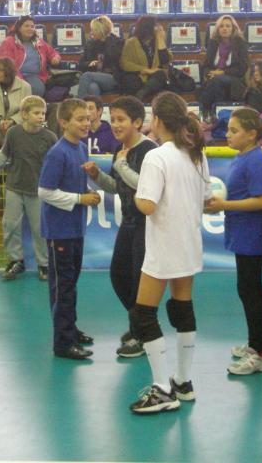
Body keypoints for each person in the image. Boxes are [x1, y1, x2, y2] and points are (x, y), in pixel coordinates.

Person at [128, 92, 211, 414]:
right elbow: (207, 198)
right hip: (189, 243)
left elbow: (147, 205)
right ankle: (183, 381)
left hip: (164, 246)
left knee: (143, 314)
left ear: (158, 120)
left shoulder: (156, 156)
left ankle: (162, 388)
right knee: (181, 307)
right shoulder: (196, 154)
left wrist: (135, 193)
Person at [82, 95, 158, 358]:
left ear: (137, 122)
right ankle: (141, 324)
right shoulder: (120, 150)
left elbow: (146, 186)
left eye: (121, 119)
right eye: (112, 119)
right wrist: (97, 176)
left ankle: (142, 333)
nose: (115, 124)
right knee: (118, 274)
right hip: (128, 221)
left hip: (147, 224)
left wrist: (122, 165)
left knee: (139, 280)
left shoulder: (149, 151)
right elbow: (117, 186)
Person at [205, 108, 262, 375]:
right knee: (247, 288)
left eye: (234, 131)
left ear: (252, 134)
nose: (228, 135)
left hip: (253, 233)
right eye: (229, 130)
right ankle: (258, 342)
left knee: (250, 288)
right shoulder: (241, 157)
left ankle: (259, 352)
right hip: (242, 230)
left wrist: (225, 205)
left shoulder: (257, 161)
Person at [38, 98, 101, 360]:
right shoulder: (57, 153)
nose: (86, 123)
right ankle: (63, 342)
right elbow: (45, 192)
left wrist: (86, 193)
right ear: (64, 122)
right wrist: (79, 199)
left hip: (75, 228)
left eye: (88, 118)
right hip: (59, 230)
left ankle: (69, 329)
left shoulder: (82, 149)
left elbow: (73, 184)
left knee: (70, 283)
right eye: (80, 119)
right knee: (63, 286)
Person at [0, 95, 56, 282]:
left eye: (43, 113)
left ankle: (44, 264)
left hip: (38, 191)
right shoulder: (13, 133)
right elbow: (3, 155)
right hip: (14, 188)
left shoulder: (50, 137)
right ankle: (15, 260)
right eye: (36, 113)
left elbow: (56, 162)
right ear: (24, 114)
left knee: (39, 229)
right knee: (10, 225)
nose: (41, 117)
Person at [0, 15, 60, 97]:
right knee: (25, 89)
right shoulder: (8, 42)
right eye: (26, 26)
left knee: (36, 89)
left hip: (35, 76)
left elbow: (53, 52)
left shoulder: (39, 42)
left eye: (32, 26)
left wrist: (55, 58)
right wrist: (20, 81)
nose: (30, 28)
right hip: (13, 76)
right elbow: (7, 65)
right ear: (19, 28)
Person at [199, 15, 249, 116]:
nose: (224, 28)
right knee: (216, 83)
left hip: (234, 80)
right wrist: (211, 73)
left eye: (227, 26)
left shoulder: (240, 43)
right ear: (218, 29)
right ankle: (220, 114)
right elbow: (206, 66)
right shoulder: (213, 43)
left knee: (215, 82)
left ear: (233, 28)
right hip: (215, 79)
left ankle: (206, 111)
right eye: (221, 26)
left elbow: (242, 68)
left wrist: (222, 72)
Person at [0, 56, 32, 149]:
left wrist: (12, 121)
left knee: (13, 129)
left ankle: (7, 150)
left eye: (0, 70)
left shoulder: (25, 87)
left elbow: (26, 110)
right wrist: (0, 120)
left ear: (9, 71)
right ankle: (10, 150)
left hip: (17, 122)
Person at [119, 15, 169, 102]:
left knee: (161, 74)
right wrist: (146, 70)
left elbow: (165, 61)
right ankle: (143, 94)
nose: (159, 28)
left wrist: (160, 40)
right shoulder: (131, 42)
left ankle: (142, 94)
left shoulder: (158, 41)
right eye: (156, 25)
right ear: (148, 28)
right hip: (138, 75)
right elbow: (125, 63)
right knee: (128, 79)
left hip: (155, 78)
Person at [76, 15, 124, 98]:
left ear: (100, 31)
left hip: (112, 78)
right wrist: (89, 63)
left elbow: (119, 64)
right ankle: (97, 106)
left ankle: (79, 104)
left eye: (93, 30)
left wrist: (108, 42)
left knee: (87, 76)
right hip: (95, 76)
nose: (91, 32)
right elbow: (80, 65)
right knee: (93, 87)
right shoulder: (90, 44)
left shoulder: (117, 43)